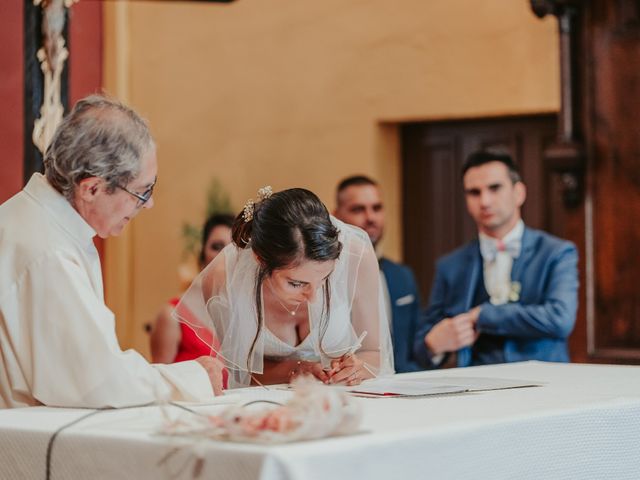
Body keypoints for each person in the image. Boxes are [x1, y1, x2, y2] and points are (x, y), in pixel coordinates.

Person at [0, 95, 222, 409]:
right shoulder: (49, 251)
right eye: (141, 192)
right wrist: (194, 377)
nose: (149, 204)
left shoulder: (34, 223)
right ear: (91, 188)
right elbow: (95, 383)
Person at [175, 186, 394, 388]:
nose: (313, 298)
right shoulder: (222, 279)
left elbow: (374, 353)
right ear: (261, 260)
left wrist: (357, 368)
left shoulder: (358, 258)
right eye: (296, 283)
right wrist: (296, 369)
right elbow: (240, 372)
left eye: (325, 278)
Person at [413, 150, 579, 368]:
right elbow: (420, 349)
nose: (484, 201)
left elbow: (560, 319)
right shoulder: (450, 265)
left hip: (546, 388)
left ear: (518, 192)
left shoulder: (556, 253)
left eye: (495, 188)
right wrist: (432, 344)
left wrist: (484, 315)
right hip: (477, 392)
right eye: (474, 192)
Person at [334, 175, 423, 372]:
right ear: (336, 216)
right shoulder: (325, 277)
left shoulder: (403, 275)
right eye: (358, 209)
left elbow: (417, 344)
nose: (370, 217)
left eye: (377, 208)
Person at [150, 213, 233, 363]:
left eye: (233, 248)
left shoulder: (249, 314)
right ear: (201, 257)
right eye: (217, 247)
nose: (224, 255)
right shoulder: (172, 315)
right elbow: (159, 380)